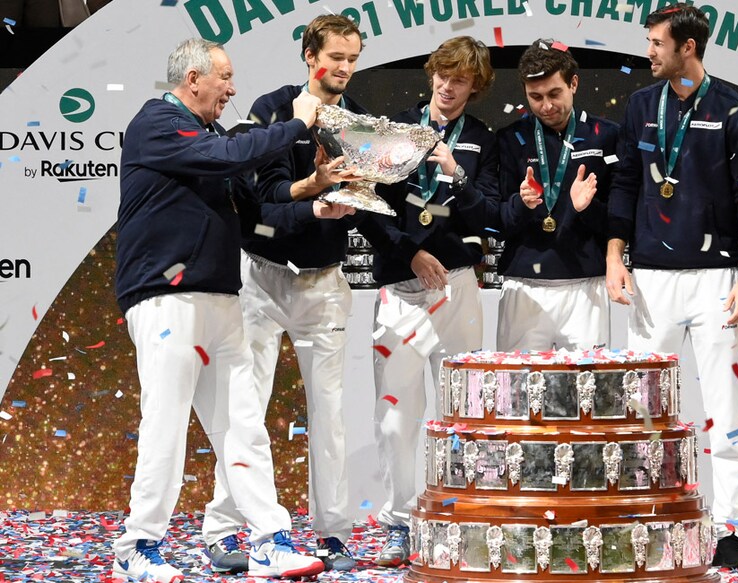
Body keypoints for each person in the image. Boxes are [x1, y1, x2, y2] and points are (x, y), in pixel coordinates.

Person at [111, 38, 325, 582]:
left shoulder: (206, 139)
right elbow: (234, 154)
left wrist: (318, 205)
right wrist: (296, 124)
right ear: (192, 79)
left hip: (221, 297)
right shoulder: (156, 123)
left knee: (243, 425)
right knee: (166, 423)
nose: (232, 89)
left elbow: (258, 219)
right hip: (166, 297)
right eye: (225, 78)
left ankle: (268, 541)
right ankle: (137, 546)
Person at [200, 14, 375, 573]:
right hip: (263, 274)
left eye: (352, 59)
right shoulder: (275, 109)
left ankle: (333, 534)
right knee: (243, 408)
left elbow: (364, 196)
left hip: (325, 281)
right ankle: (225, 529)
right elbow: (264, 193)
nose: (344, 68)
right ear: (309, 55)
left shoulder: (358, 122)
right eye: (336, 58)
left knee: (331, 411)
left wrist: (355, 197)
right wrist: (315, 192)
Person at [605, 3, 738, 570]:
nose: (648, 51)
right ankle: (641, 521)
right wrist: (614, 255)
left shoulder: (734, 110)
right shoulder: (640, 105)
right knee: (640, 411)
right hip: (650, 277)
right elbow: (624, 182)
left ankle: (729, 531)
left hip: (717, 279)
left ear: (688, 48)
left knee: (724, 413)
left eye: (656, 43)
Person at [369, 35, 499, 566]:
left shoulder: (482, 141)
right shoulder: (393, 129)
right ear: (430, 75)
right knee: (397, 417)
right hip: (401, 289)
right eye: (442, 75)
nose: (448, 86)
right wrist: (411, 256)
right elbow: (368, 206)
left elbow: (488, 215)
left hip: (458, 287)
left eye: (460, 79)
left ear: (476, 86)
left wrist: (455, 174)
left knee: (461, 410)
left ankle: (458, 516)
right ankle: (399, 522)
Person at [494, 39, 619, 351]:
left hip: (586, 286)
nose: (546, 106)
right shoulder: (510, 139)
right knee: (519, 395)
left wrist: (586, 208)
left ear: (573, 83)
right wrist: (520, 205)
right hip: (523, 287)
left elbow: (619, 221)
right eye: (535, 97)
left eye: (554, 94)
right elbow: (497, 221)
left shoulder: (606, 136)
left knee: (586, 395)